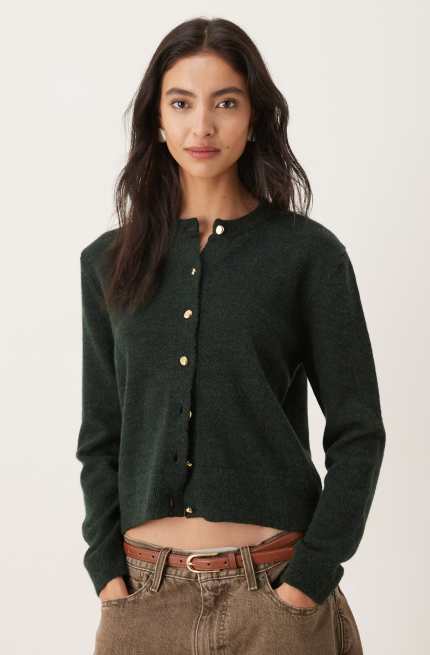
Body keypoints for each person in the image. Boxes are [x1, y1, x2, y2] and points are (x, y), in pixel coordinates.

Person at [77, 16, 385, 655]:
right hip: (141, 603)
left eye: (225, 103)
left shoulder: (306, 256)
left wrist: (308, 581)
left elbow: (358, 432)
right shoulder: (108, 262)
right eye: (181, 103)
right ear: (156, 120)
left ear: (254, 117)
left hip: (274, 598)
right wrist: (107, 572)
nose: (202, 126)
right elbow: (101, 437)